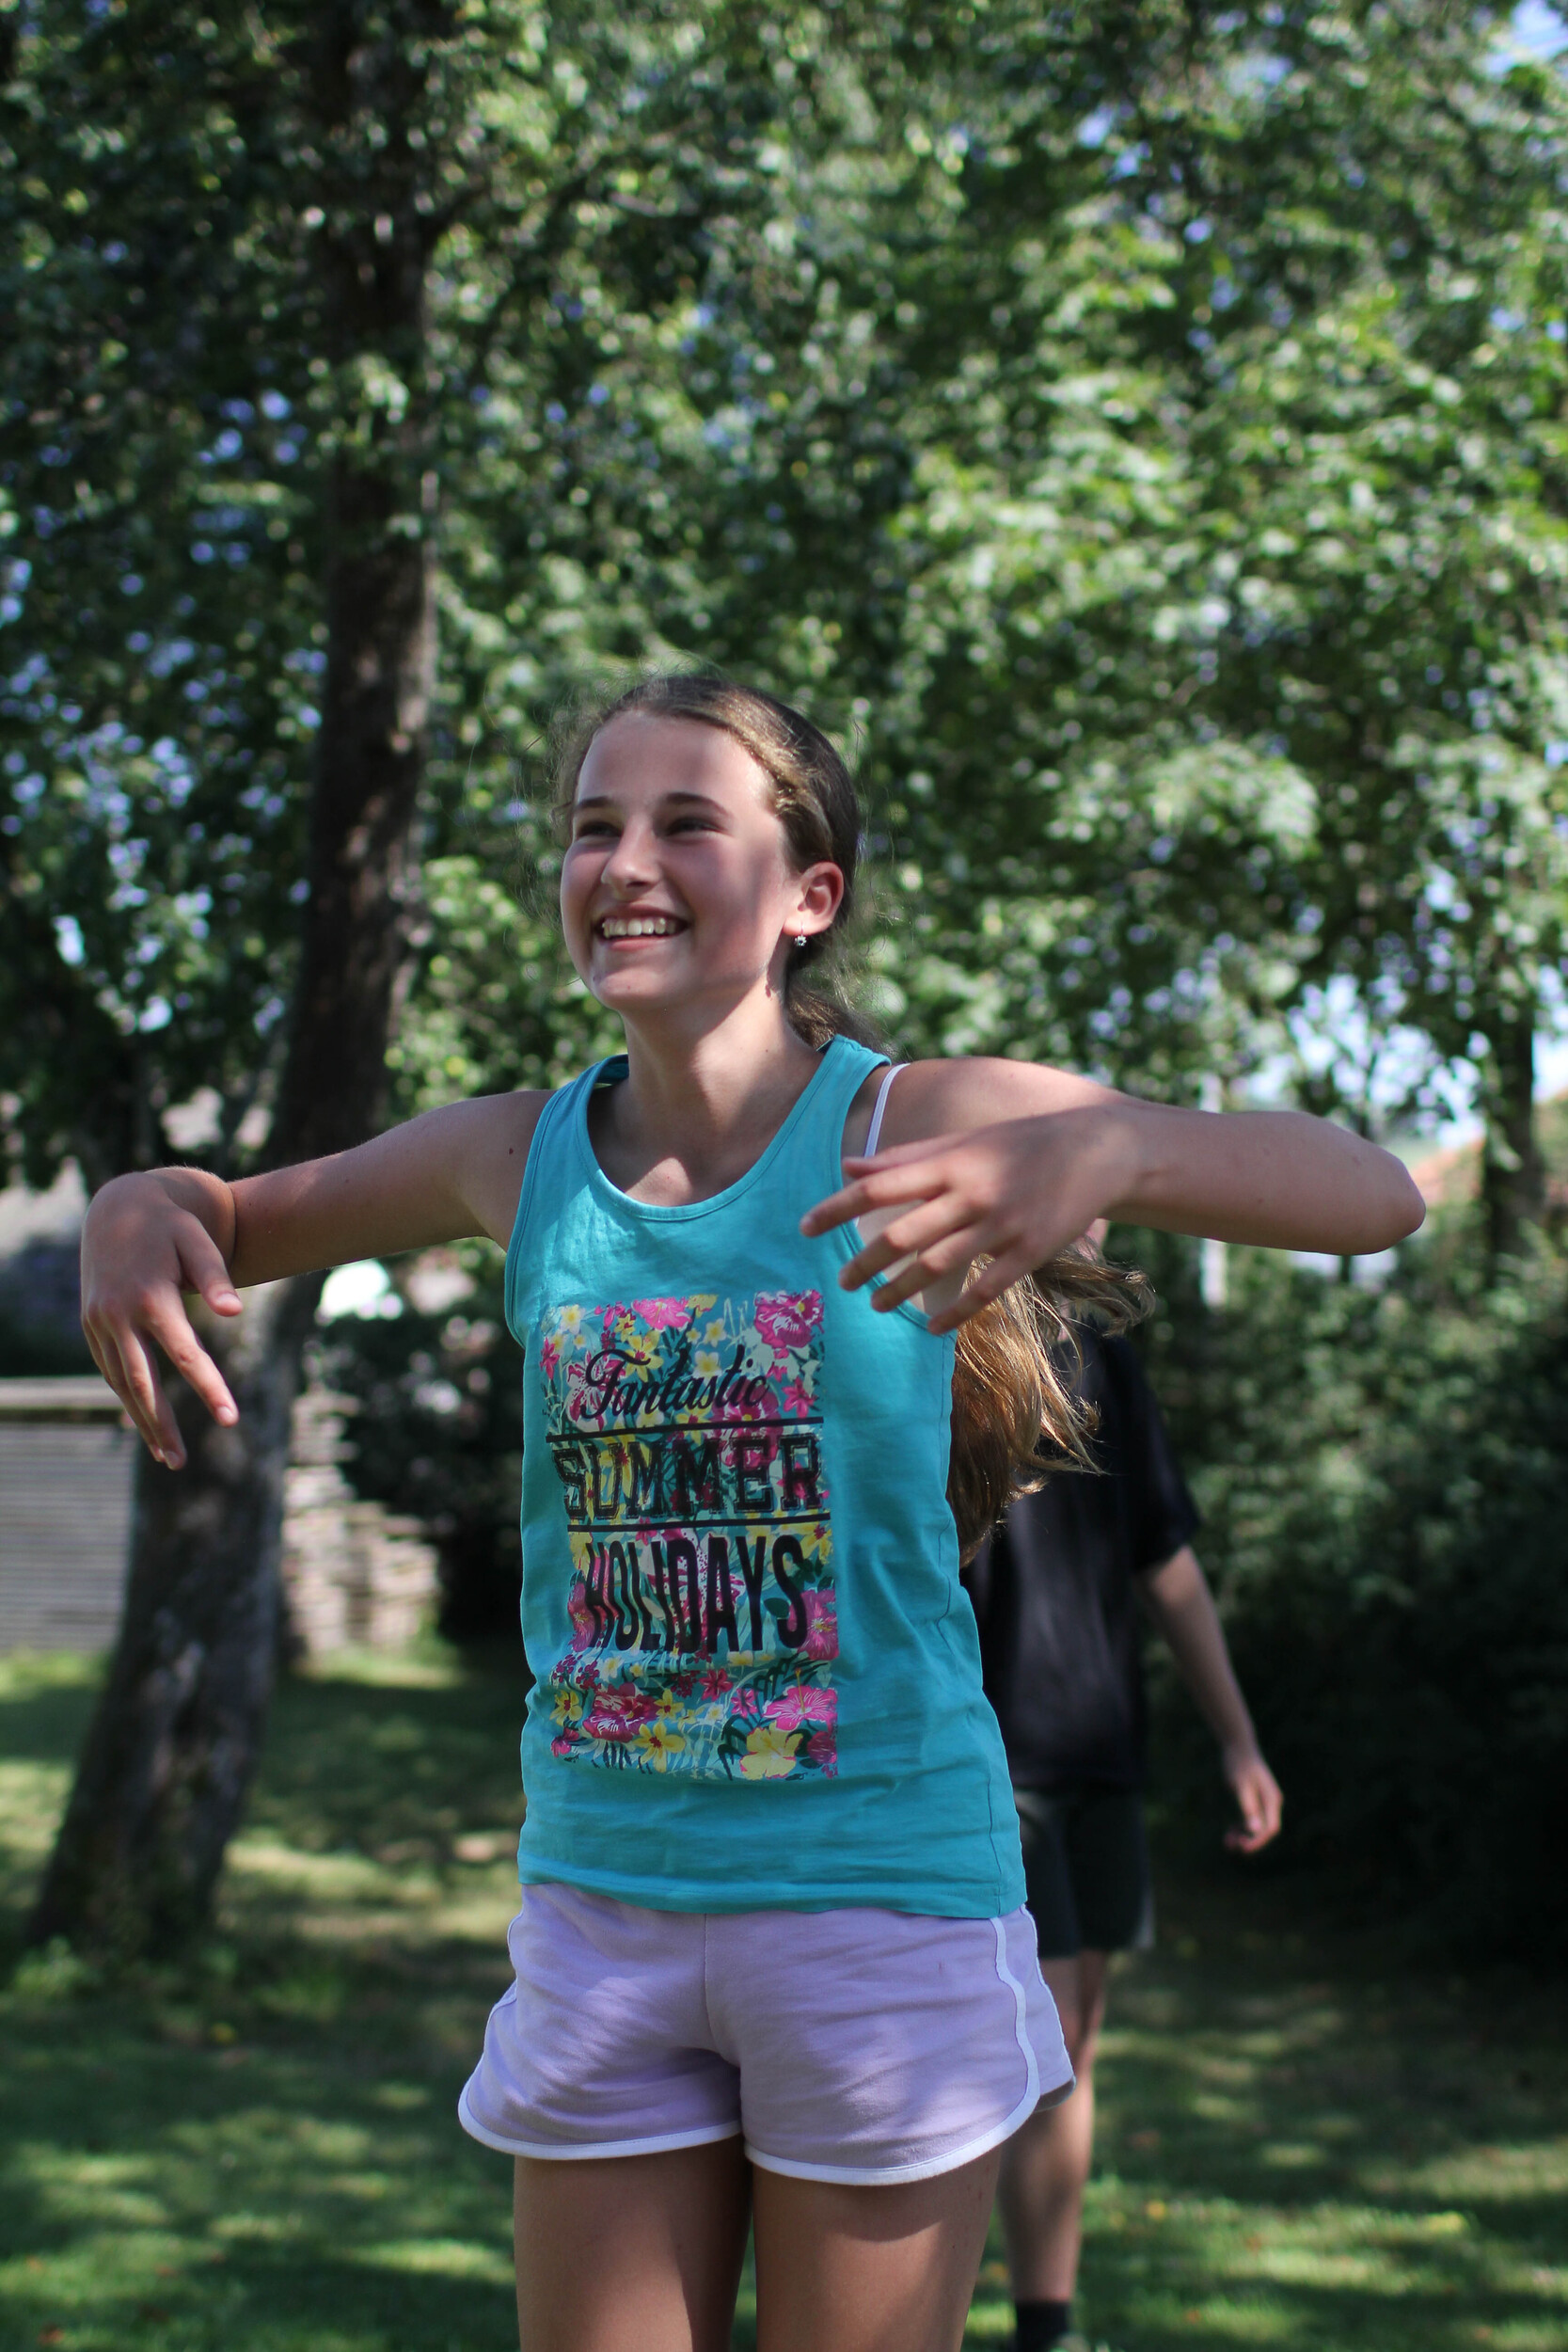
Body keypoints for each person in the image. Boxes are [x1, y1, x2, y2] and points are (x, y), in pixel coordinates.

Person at [80, 674, 1420, 2352]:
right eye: (592, 827)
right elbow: (220, 1213)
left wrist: (1112, 1151)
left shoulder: (900, 1117)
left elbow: (1372, 1193)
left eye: (685, 824)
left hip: (878, 1917)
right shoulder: (514, 1159)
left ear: (809, 896)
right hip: (605, 1914)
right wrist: (134, 1203)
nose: (623, 862)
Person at [964, 1264, 1282, 2352]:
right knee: (1032, 2047)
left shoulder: (1109, 1365)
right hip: (984, 1754)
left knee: (1072, 2051)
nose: (1096, 1215)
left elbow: (1164, 1560)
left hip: (1098, 1748)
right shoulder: (939, 1344)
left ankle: (1043, 2324)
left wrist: (1236, 1736)